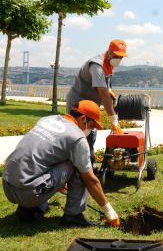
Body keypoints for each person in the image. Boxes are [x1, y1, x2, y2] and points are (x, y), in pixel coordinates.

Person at [2, 100, 120, 227]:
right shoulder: (77, 137)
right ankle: (73, 215)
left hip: (7, 184)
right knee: (79, 166)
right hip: (28, 194)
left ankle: (29, 209)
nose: (91, 130)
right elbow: (90, 180)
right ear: (82, 119)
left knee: (51, 161)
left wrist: (60, 177)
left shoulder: (47, 120)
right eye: (91, 126)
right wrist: (109, 211)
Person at [66, 40, 129, 173]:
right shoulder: (97, 65)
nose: (119, 59)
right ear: (110, 52)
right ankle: (74, 170)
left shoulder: (110, 65)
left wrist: (109, 89)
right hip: (79, 102)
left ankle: (90, 168)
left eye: (121, 57)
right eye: (117, 56)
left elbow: (106, 87)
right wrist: (114, 122)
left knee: (91, 135)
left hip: (91, 104)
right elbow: (103, 95)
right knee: (77, 136)